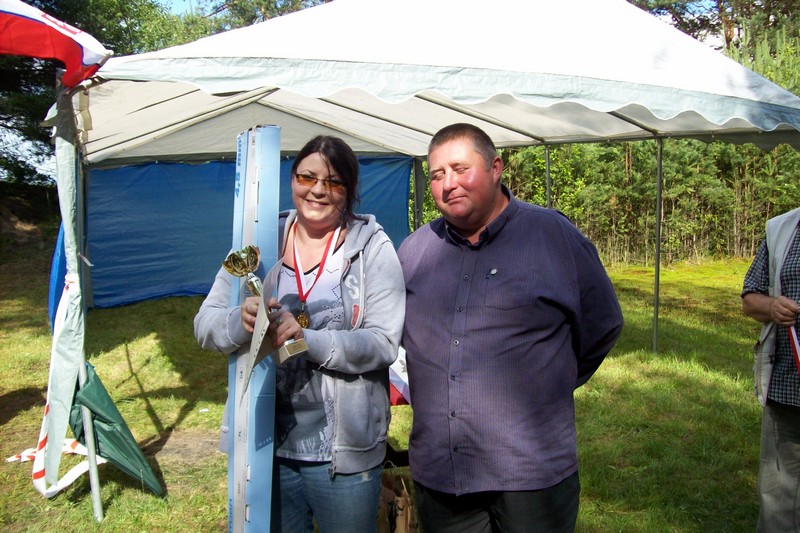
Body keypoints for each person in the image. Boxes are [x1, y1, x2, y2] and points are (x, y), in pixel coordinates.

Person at [398, 123, 623, 533]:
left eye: (460, 169)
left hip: (530, 473)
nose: (448, 184)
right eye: (437, 174)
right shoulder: (415, 252)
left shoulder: (553, 237)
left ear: (496, 168)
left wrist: (550, 382)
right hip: (443, 475)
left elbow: (602, 323)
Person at [194, 135, 406, 533]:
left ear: (350, 190)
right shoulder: (259, 241)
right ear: (292, 179)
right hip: (265, 446)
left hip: (343, 454)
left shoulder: (372, 247)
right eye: (307, 177)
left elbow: (382, 342)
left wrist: (310, 341)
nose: (318, 190)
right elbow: (204, 325)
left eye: (334, 182)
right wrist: (240, 321)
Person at [742, 206, 800, 532]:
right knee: (778, 497)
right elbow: (750, 299)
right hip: (786, 390)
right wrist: (773, 306)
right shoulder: (780, 229)